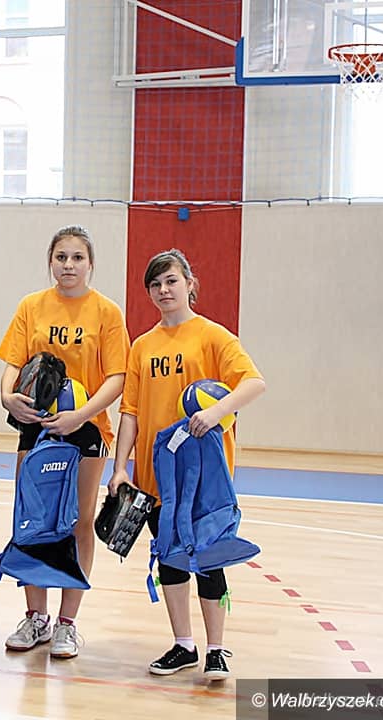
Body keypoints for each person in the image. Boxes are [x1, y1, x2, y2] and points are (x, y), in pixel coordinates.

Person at [108, 249, 265, 681]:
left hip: (205, 479)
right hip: (157, 477)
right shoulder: (142, 346)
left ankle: (216, 649)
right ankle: (184, 645)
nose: (164, 290)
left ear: (190, 284)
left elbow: (254, 382)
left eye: (171, 281)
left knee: (209, 560)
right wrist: (120, 468)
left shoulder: (213, 337)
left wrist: (216, 412)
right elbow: (130, 412)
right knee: (171, 560)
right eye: (155, 285)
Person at [0, 225, 129, 660]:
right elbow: (13, 363)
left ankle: (67, 623)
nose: (68, 265)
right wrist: (7, 397)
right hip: (35, 427)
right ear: (50, 261)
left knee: (79, 521)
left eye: (77, 258)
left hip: (85, 429)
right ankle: (36, 616)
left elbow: (117, 377)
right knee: (32, 518)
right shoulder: (31, 306)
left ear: (90, 264)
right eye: (61, 257)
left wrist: (81, 415)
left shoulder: (106, 312)